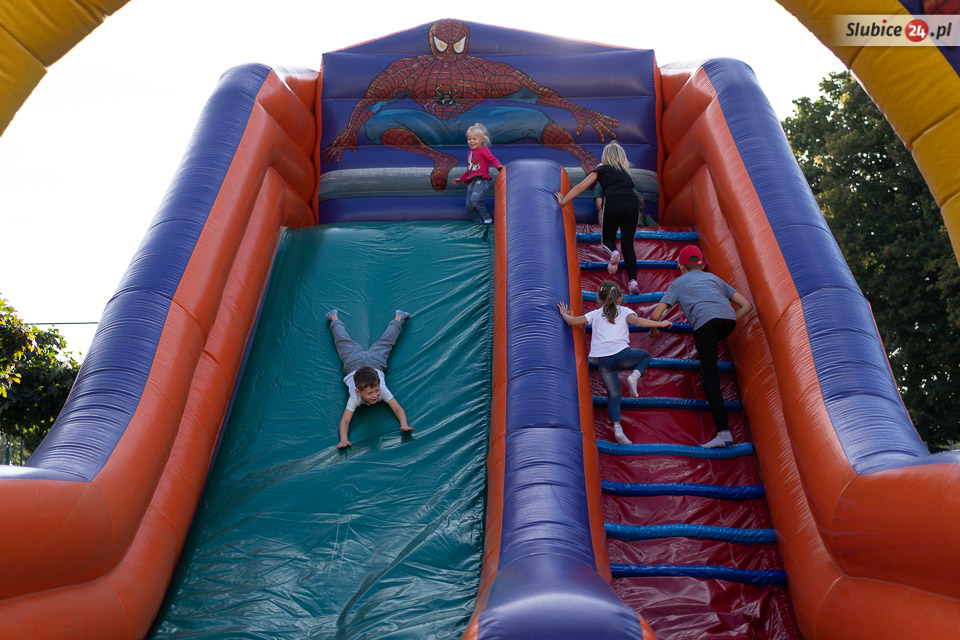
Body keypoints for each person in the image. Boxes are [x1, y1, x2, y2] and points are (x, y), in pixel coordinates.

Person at [648, 246, 752, 448]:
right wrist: (726, 317)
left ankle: (723, 432)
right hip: (728, 323)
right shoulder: (714, 278)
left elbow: (656, 315)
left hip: (706, 325)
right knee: (708, 351)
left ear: (681, 267)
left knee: (710, 378)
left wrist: (653, 330)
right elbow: (746, 305)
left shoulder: (678, 283)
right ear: (702, 266)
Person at [558, 280, 672, 445]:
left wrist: (563, 314)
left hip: (603, 361)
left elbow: (572, 321)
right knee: (645, 356)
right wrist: (660, 323)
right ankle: (634, 376)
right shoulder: (624, 311)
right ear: (620, 298)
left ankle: (618, 429)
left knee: (613, 395)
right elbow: (639, 322)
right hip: (622, 355)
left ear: (599, 300)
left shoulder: (595, 314)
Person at [555, 141, 642, 295]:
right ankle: (633, 281)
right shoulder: (625, 173)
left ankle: (613, 252)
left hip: (613, 201)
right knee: (628, 246)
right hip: (632, 202)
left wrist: (563, 201)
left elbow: (581, 186)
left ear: (605, 157)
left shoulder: (601, 169)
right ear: (622, 157)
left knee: (607, 239)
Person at [326, 309, 414, 449]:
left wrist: (404, 424)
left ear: (378, 385)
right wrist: (343, 439)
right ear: (358, 391)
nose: (374, 395)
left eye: (376, 391)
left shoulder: (381, 390)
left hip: (368, 362)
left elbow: (398, 409)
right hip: (360, 362)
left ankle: (399, 317)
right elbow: (345, 421)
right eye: (369, 393)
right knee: (343, 342)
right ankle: (334, 318)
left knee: (386, 342)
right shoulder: (355, 396)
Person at [452, 123, 504, 223]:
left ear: (482, 140)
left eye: (474, 139)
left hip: (481, 180)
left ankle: (487, 219)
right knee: (469, 206)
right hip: (471, 181)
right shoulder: (470, 153)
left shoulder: (483, 149)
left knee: (475, 200)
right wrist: (461, 179)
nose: (471, 141)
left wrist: (499, 166)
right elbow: (469, 170)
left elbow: (492, 159)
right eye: (469, 139)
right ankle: (478, 223)